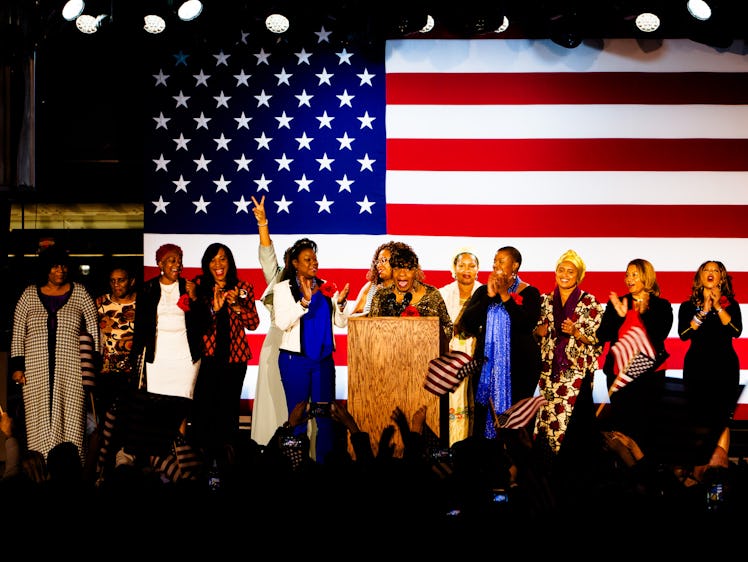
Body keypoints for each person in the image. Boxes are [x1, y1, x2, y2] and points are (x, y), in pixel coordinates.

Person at [10, 245, 100, 464]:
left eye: (63, 266)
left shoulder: (80, 292)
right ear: (45, 269)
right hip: (36, 369)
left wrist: (93, 365)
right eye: (54, 267)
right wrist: (17, 367)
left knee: (72, 418)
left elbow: (94, 330)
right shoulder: (29, 294)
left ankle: (72, 468)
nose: (60, 271)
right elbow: (18, 331)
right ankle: (40, 468)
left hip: (72, 369)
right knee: (37, 419)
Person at [532, 249, 605, 503]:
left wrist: (576, 332)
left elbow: (597, 339)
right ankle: (547, 480)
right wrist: (538, 332)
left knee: (576, 430)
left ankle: (574, 484)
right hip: (548, 375)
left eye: (570, 271)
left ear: (579, 276)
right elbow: (535, 331)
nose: (564, 275)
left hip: (575, 376)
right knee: (545, 424)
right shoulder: (543, 301)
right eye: (561, 270)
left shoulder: (590, 303)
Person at [126, 244, 210, 458]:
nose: (177, 264)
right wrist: (134, 358)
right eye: (172, 260)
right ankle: (161, 456)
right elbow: (141, 328)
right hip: (158, 357)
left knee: (181, 406)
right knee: (158, 407)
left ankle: (179, 455)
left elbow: (205, 325)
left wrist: (194, 298)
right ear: (160, 264)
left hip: (186, 357)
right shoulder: (147, 289)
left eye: (179, 259)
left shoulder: (190, 287)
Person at [273, 237, 350, 464]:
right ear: (295, 263)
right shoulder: (283, 289)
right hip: (295, 361)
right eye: (308, 260)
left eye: (315, 259)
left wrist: (342, 304)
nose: (313, 263)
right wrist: (304, 302)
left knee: (325, 419)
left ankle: (323, 470)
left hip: (323, 361)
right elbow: (282, 322)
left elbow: (341, 322)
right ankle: (296, 467)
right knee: (297, 418)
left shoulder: (326, 286)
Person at [456, 246, 542, 439]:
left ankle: (516, 463)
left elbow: (527, 324)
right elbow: (467, 324)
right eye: (495, 261)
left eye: (501, 261)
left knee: (516, 423)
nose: (496, 265)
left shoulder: (530, 293)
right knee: (482, 415)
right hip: (487, 368)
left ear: (515, 265)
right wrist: (489, 296)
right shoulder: (483, 292)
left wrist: (505, 297)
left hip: (519, 371)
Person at [192, 242, 260, 471]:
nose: (218, 264)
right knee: (204, 411)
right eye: (213, 260)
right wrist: (213, 308)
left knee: (228, 412)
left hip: (235, 360)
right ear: (206, 264)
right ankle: (203, 463)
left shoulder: (243, 287)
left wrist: (237, 305)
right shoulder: (198, 286)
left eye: (222, 259)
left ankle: (228, 465)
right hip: (207, 358)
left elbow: (254, 323)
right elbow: (194, 322)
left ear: (229, 262)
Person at [596, 258, 673, 459]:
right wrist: (620, 315)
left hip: (648, 376)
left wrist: (643, 312)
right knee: (622, 427)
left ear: (646, 277)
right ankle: (624, 473)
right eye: (627, 274)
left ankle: (644, 474)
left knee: (645, 427)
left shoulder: (662, 305)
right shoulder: (617, 303)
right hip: (619, 375)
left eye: (634, 275)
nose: (628, 279)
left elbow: (657, 336)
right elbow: (603, 334)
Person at [678, 260, 742, 476]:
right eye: (707, 270)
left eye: (716, 270)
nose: (711, 273)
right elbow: (684, 334)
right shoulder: (688, 306)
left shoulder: (731, 305)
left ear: (722, 278)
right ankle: (698, 475)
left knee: (722, 419)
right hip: (697, 367)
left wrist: (717, 307)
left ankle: (719, 473)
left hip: (724, 368)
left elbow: (735, 330)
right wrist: (703, 311)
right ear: (700, 276)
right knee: (697, 420)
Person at [249, 195, 289, 446]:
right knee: (272, 402)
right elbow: (267, 256)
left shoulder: (314, 287)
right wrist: (263, 224)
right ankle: (266, 450)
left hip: (301, 351)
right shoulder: (277, 280)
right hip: (275, 346)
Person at [92, 263, 138, 479]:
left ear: (131, 281)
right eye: (113, 280)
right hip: (107, 372)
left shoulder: (141, 303)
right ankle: (106, 469)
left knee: (129, 421)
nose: (116, 284)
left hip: (133, 372)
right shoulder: (101, 304)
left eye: (121, 280)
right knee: (107, 423)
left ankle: (126, 468)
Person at [369, 243, 453, 348]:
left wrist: (427, 338)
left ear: (415, 271)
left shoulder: (432, 294)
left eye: (408, 269)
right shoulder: (381, 296)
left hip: (424, 357)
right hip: (388, 356)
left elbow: (448, 327)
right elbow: (371, 331)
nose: (402, 274)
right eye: (397, 269)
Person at [438, 249, 482, 445]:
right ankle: (453, 446)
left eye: (471, 266)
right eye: (462, 265)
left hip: (478, 356)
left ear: (478, 270)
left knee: (476, 402)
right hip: (452, 356)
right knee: (454, 402)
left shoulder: (486, 293)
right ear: (453, 269)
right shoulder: (443, 294)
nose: (466, 270)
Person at [349, 241, 397, 316]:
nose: (378, 265)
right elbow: (352, 318)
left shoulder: (408, 288)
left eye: (383, 260)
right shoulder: (371, 286)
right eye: (377, 261)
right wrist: (370, 314)